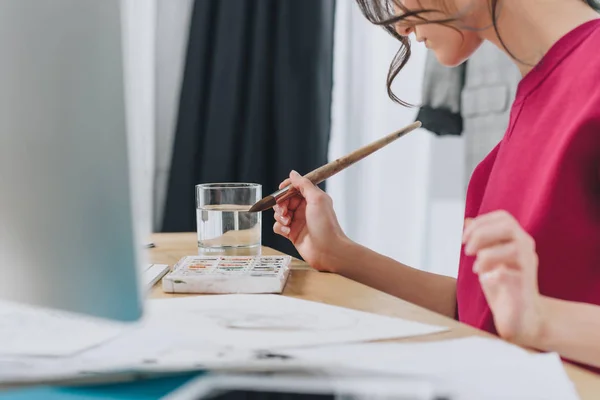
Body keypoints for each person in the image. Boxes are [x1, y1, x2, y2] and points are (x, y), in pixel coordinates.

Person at [272, 0, 600, 371]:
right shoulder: (530, 113)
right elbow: (484, 312)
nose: (399, 26)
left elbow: (529, 321)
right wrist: (339, 254)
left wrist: (542, 321)